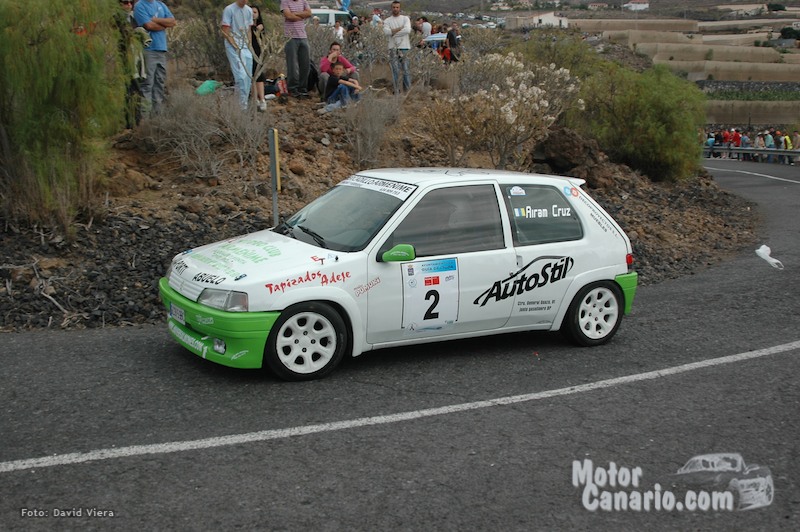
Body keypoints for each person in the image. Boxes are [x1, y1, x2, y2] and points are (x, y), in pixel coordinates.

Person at [133, 0, 176, 117]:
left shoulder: (161, 5)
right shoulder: (140, 6)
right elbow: (149, 25)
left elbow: (172, 22)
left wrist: (156, 20)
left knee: (159, 82)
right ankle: (144, 117)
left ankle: (157, 115)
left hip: (161, 49)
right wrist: (164, 24)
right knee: (147, 83)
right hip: (148, 50)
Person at [115, 0, 147, 128]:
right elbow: (120, 37)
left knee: (137, 91)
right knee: (128, 91)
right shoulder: (116, 19)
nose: (129, 5)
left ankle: (137, 122)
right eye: (125, 2)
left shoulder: (133, 18)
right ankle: (128, 123)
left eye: (131, 2)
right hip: (124, 60)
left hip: (136, 60)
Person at [221, 0, 254, 110]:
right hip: (233, 46)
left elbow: (249, 29)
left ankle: (244, 104)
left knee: (248, 76)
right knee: (241, 76)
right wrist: (235, 46)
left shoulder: (249, 10)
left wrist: (249, 45)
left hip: (245, 46)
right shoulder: (229, 9)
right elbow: (225, 30)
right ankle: (240, 107)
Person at [281, 0, 312, 99]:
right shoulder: (285, 1)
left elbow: (309, 13)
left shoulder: (303, 1)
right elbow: (288, 16)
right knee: (292, 65)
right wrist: (302, 15)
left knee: (305, 64)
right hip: (290, 37)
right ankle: (293, 88)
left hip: (303, 36)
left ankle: (302, 88)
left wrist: (295, 14)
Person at [383, 1, 411, 94]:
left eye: (397, 7)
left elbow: (407, 30)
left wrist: (393, 33)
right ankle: (396, 90)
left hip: (404, 47)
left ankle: (407, 91)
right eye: (394, 7)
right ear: (391, 8)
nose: (395, 9)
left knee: (406, 70)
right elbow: (386, 32)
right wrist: (399, 29)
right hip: (393, 47)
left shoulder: (405, 19)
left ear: (400, 8)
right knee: (395, 70)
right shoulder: (387, 21)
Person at [250, 5, 269, 111]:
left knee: (259, 75)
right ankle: (255, 99)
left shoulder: (261, 26)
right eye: (251, 12)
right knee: (252, 76)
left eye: (255, 12)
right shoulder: (247, 26)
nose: (253, 14)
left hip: (259, 53)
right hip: (249, 52)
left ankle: (262, 99)